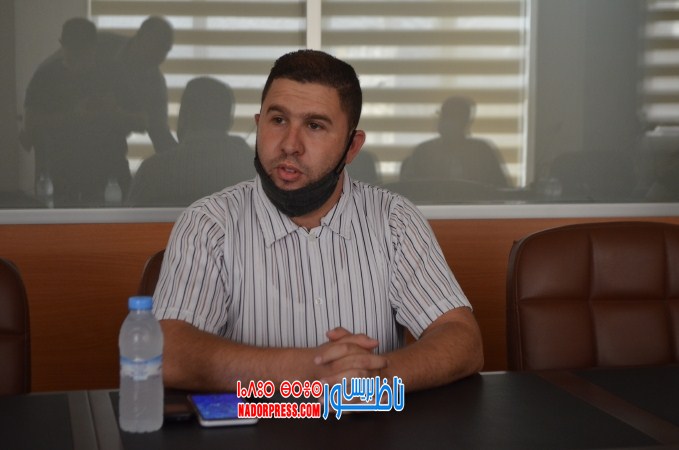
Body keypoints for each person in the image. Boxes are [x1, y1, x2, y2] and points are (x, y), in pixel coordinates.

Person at [153, 50, 484, 394]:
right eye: (278, 120)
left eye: (314, 126)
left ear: (352, 147)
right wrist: (304, 372)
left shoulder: (394, 221)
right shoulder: (208, 224)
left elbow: (463, 340)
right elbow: (167, 353)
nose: (290, 145)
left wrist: (370, 381)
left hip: (366, 422)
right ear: (258, 123)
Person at [23, 18, 138, 207]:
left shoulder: (113, 73)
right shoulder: (46, 77)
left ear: (94, 47)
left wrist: (115, 111)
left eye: (84, 54)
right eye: (73, 56)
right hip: (61, 176)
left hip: (110, 173)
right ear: (62, 46)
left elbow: (142, 121)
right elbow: (30, 125)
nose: (79, 64)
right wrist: (73, 116)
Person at [127, 77, 255, 206]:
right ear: (229, 122)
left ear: (183, 115)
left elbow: (129, 217)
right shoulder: (253, 170)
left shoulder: (151, 172)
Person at [400, 96, 510, 188]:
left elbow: (501, 191)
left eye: (451, 117)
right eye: (443, 115)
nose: (443, 121)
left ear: (464, 122)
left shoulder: (482, 152)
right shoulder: (424, 152)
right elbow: (408, 191)